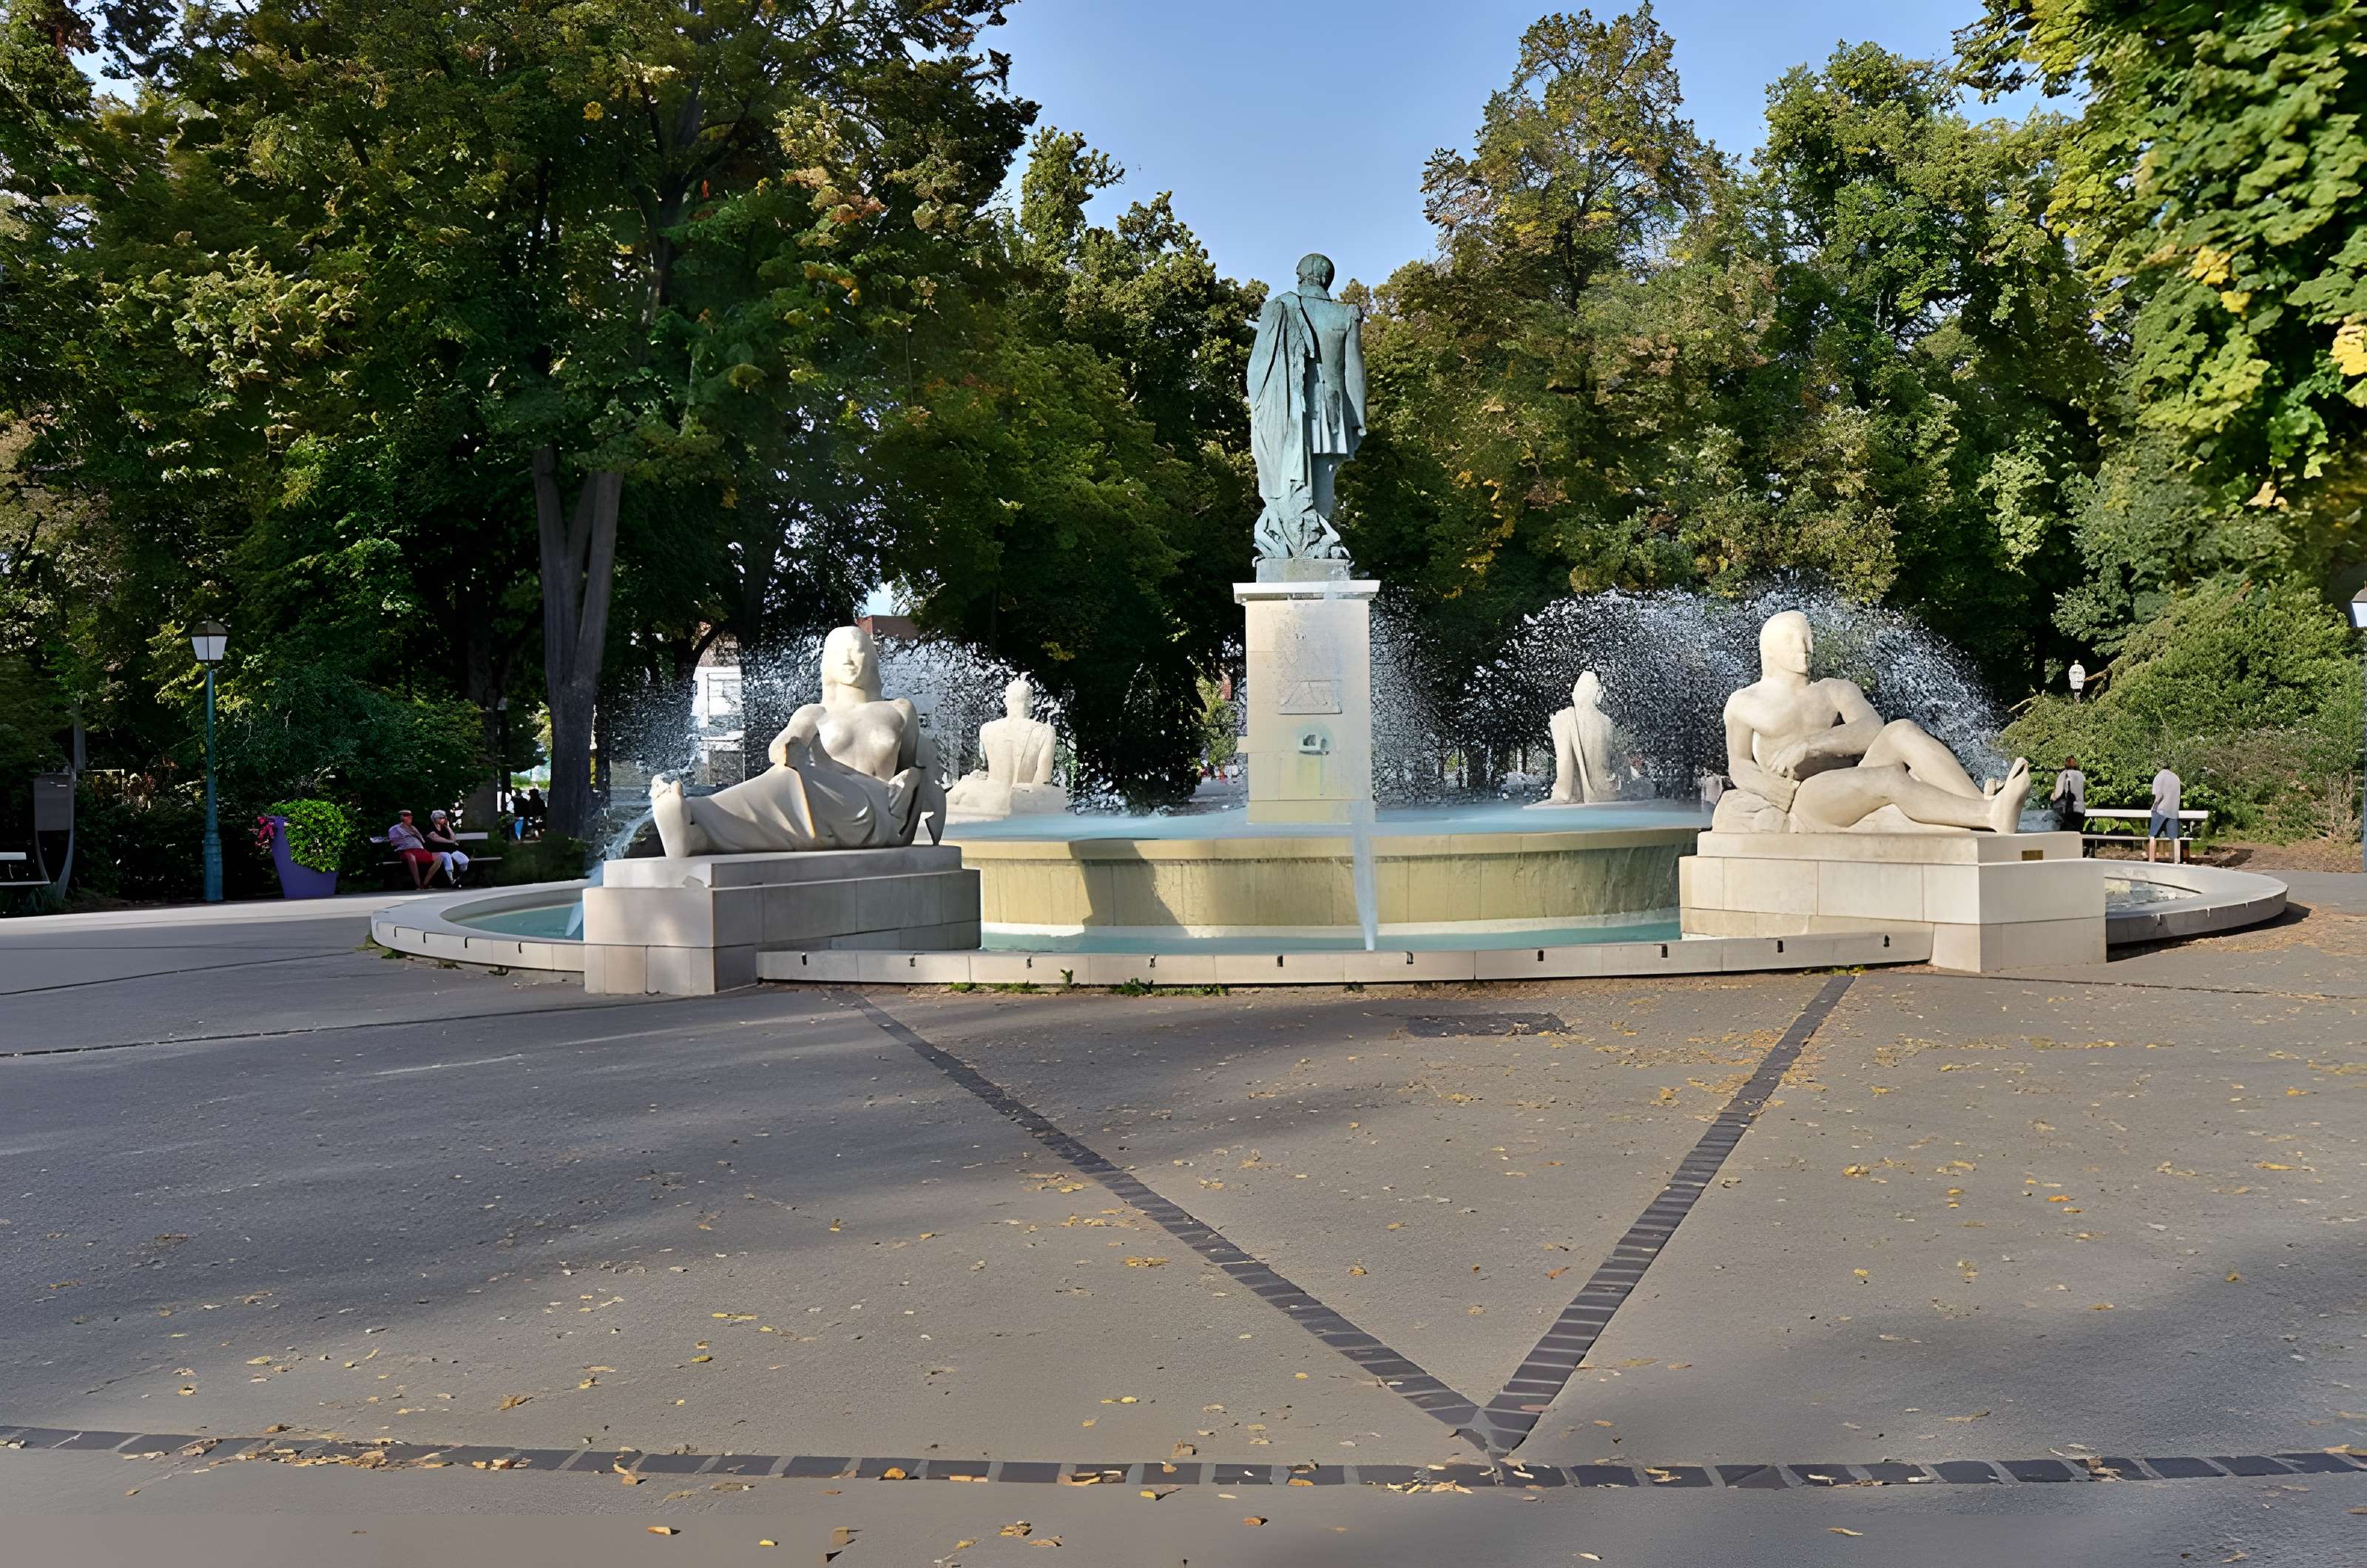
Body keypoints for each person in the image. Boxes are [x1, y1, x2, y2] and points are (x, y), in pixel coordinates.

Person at [1714, 611, 2027, 835]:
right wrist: (1773, 791)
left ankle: (1983, 806)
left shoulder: (1834, 689)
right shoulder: (1745, 702)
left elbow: (1870, 730)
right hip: (1806, 797)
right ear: (1767, 648)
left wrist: (1809, 744)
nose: (1805, 647)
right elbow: (1738, 764)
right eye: (1792, 639)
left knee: (1901, 730)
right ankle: (1987, 814)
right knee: (1889, 778)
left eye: (1807, 638)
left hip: (1849, 783)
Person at [387, 809, 438, 889]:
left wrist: (415, 833)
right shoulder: (395, 829)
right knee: (411, 857)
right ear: (401, 817)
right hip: (406, 850)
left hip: (419, 850)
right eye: (407, 815)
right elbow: (394, 843)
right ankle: (417, 884)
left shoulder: (413, 828)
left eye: (410, 815)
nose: (410, 817)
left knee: (440, 857)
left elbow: (423, 841)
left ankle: (426, 882)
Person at [424, 808, 469, 886]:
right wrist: (451, 842)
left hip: (450, 850)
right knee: (447, 857)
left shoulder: (445, 828)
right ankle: (452, 881)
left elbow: (453, 838)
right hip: (438, 851)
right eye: (441, 818)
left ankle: (459, 878)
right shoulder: (430, 828)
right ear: (435, 819)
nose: (443, 820)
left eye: (444, 818)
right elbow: (437, 838)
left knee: (464, 860)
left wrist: (448, 827)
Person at [2149, 766, 2184, 862]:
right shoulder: (2176, 777)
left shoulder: (2159, 777)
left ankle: (2151, 858)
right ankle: (2176, 860)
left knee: (2152, 836)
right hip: (2173, 810)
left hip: (2161, 810)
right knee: (2175, 838)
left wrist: (2154, 806)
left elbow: (2158, 795)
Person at [2050, 756, 2087, 834]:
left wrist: (2053, 797)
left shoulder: (2064, 774)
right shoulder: (2080, 775)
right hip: (2080, 811)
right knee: (2077, 834)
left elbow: (2058, 793)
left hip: (2068, 811)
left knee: (2065, 835)